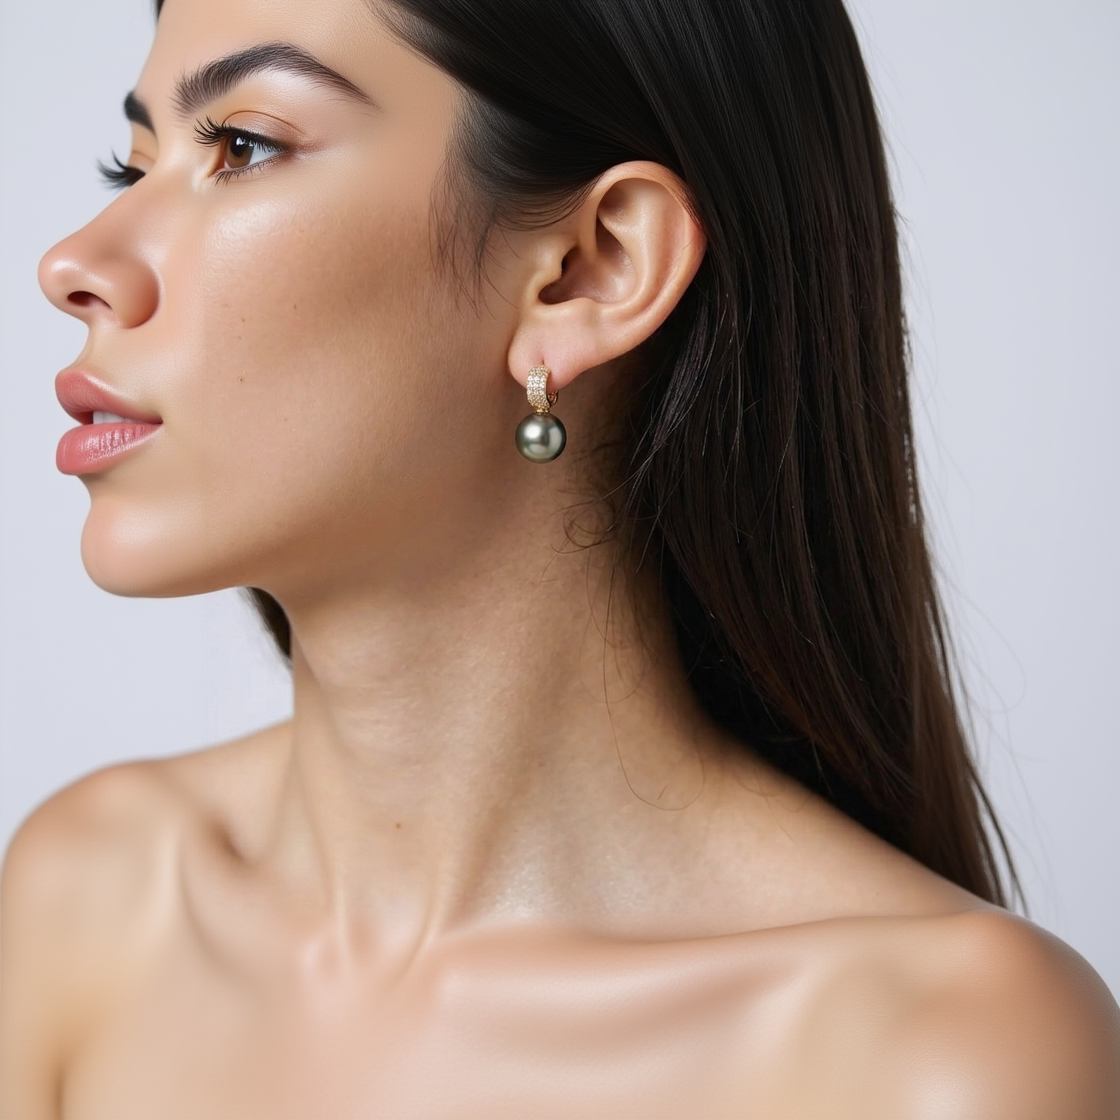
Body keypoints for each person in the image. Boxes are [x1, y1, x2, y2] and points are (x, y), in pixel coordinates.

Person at [1, 0, 1117, 1115]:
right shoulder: (92, 900)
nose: (72, 265)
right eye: (130, 163)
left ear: (593, 267)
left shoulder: (943, 1056)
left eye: (242, 147)